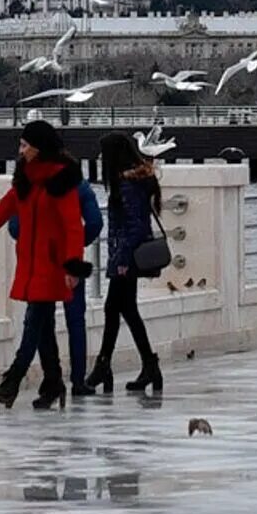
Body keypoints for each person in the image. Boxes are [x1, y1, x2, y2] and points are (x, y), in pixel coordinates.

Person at [0, 118, 89, 410]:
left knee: (33, 323)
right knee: (42, 328)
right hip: (30, 265)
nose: (20, 150)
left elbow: (73, 227)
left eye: (24, 145)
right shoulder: (25, 181)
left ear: (38, 148)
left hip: (53, 266)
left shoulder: (60, 182)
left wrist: (73, 266)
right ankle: (53, 382)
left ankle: (12, 381)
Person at [9, 166, 103, 394]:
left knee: (41, 322)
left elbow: (15, 226)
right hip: (71, 261)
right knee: (75, 320)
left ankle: (52, 379)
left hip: (42, 264)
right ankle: (78, 381)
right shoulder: (79, 186)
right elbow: (95, 223)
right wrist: (76, 244)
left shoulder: (29, 186)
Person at [82, 132, 163, 397]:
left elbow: (134, 227)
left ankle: (104, 366)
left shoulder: (127, 186)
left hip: (125, 259)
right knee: (126, 311)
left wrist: (122, 261)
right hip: (124, 256)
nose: (101, 159)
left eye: (104, 154)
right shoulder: (134, 181)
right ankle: (149, 366)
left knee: (113, 309)